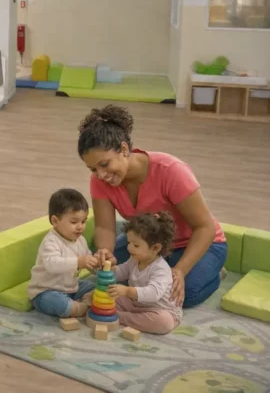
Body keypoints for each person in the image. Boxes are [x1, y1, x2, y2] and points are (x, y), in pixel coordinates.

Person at [78, 105, 227, 308]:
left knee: (176, 296)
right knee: (107, 274)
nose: (101, 175)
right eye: (93, 169)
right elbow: (105, 227)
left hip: (197, 242)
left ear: (123, 149)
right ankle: (167, 268)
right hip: (148, 244)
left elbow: (205, 227)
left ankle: (215, 272)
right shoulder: (99, 180)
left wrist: (181, 271)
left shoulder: (170, 171)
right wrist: (105, 251)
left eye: (104, 164)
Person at [28, 189, 99, 319]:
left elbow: (88, 260)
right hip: (46, 291)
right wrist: (79, 262)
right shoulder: (51, 241)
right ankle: (78, 308)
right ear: (55, 221)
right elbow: (52, 265)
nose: (80, 227)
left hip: (72, 287)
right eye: (74, 222)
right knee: (57, 302)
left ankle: (78, 305)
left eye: (83, 221)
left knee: (94, 287)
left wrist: (99, 267)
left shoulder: (80, 240)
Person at [108, 212, 182, 334]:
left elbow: (153, 293)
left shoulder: (161, 269)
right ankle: (118, 313)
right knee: (109, 295)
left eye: (136, 245)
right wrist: (107, 270)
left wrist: (127, 291)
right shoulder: (135, 259)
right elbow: (122, 271)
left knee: (163, 322)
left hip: (160, 309)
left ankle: (120, 317)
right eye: (129, 243)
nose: (129, 248)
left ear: (155, 248)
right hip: (136, 304)